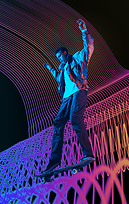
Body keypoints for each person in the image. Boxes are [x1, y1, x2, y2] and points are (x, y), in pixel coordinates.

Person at [42, 19, 96, 174]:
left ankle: (88, 154)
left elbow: (89, 47)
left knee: (75, 119)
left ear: (66, 53)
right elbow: (59, 79)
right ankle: (53, 162)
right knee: (58, 122)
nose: (60, 58)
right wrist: (50, 68)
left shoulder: (78, 58)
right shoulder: (62, 67)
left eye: (61, 55)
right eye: (58, 57)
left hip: (79, 91)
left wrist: (84, 31)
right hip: (66, 97)